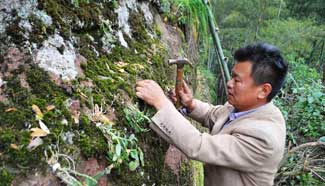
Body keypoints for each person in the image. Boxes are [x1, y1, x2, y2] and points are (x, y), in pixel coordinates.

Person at [135, 43, 288, 186]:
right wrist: (190, 104)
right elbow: (215, 115)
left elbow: (199, 145)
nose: (229, 83)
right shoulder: (248, 106)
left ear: (263, 90)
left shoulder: (264, 138)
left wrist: (161, 102)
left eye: (237, 80)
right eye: (232, 76)